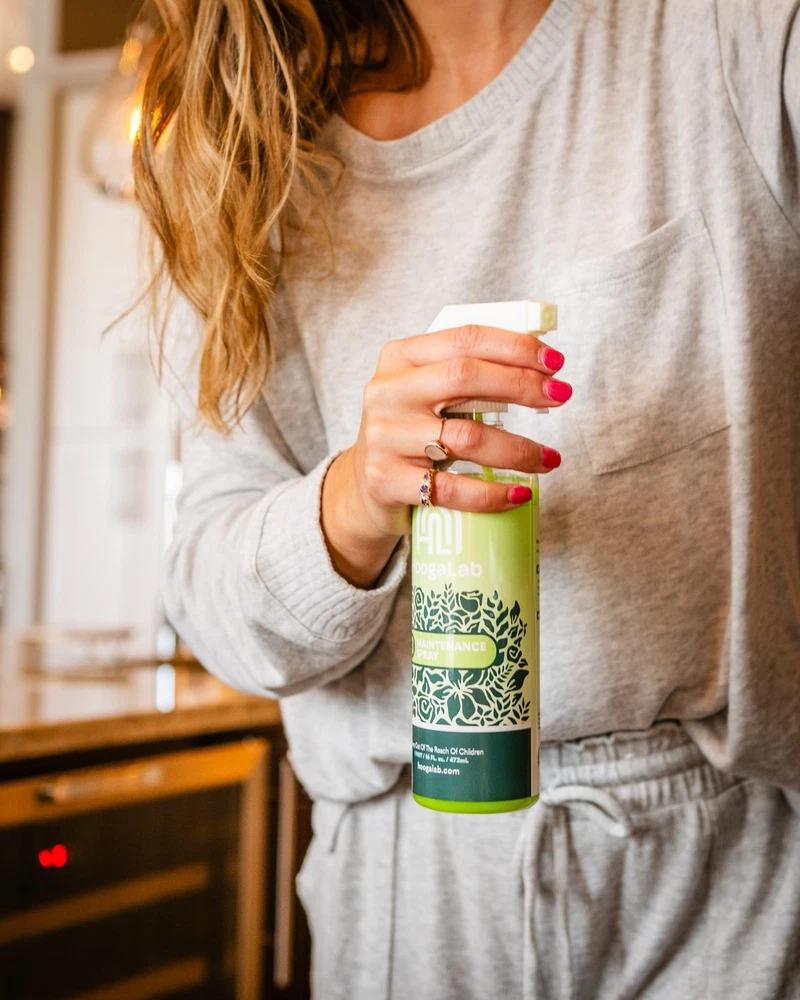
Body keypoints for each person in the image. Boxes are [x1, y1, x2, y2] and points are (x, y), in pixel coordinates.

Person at [135, 0, 800, 996]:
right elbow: (212, 600)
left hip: (728, 894)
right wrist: (353, 500)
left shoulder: (730, 37)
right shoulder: (252, 158)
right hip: (403, 900)